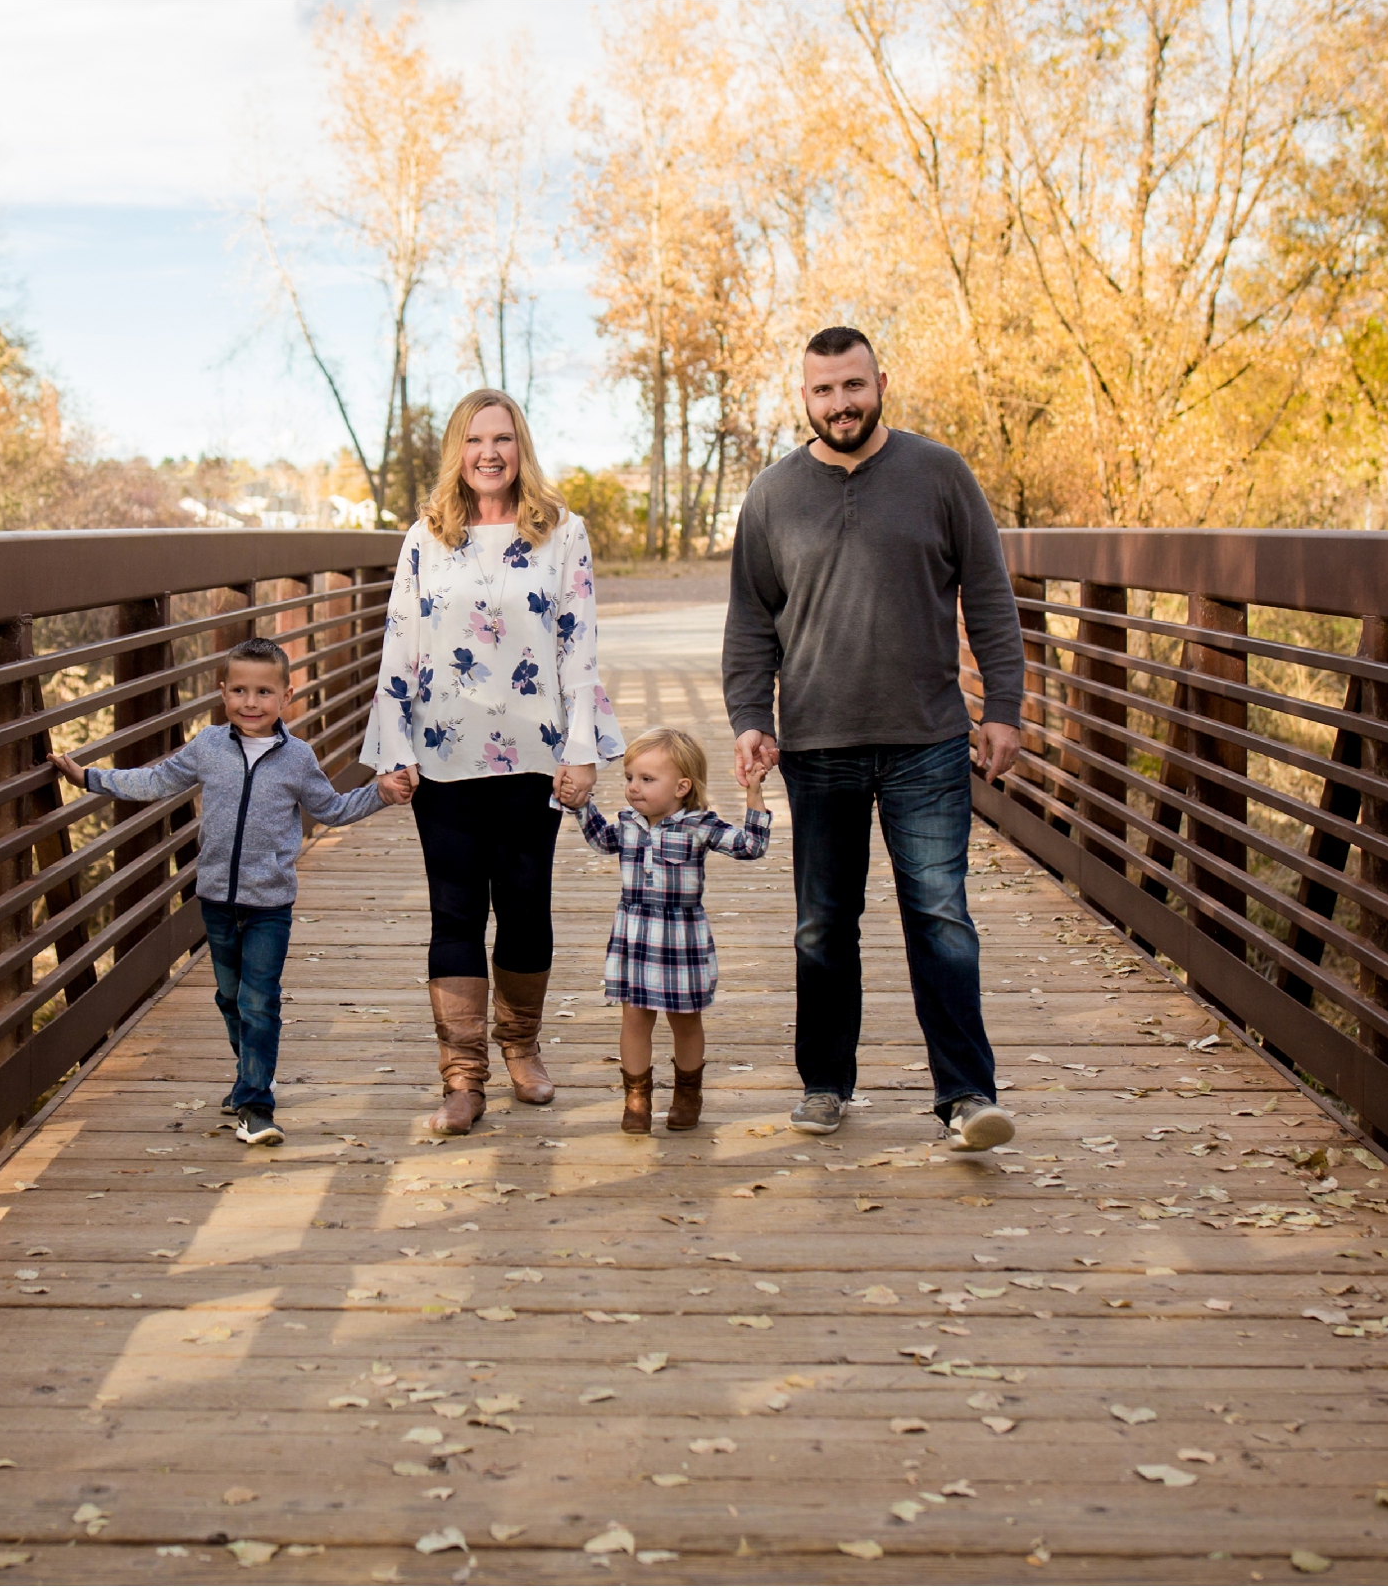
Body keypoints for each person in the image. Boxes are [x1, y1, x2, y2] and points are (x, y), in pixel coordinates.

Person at [722, 325, 1027, 1148]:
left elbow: (992, 598)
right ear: (804, 398)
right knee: (823, 921)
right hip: (818, 743)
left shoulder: (940, 474)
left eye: (853, 386)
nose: (840, 404)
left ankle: (967, 1096)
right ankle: (826, 1082)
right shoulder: (773, 495)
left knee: (940, 914)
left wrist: (1004, 706)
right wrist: (752, 718)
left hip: (928, 737)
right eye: (823, 390)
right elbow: (751, 624)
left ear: (881, 381)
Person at [362, 387, 624, 1136]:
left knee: (525, 907)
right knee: (454, 912)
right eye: (476, 440)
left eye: (503, 438)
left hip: (534, 756)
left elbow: (579, 644)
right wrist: (394, 747)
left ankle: (522, 1048)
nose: (489, 453)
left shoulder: (561, 532)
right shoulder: (426, 537)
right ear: (458, 450)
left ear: (521, 447)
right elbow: (399, 645)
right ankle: (463, 1076)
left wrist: (582, 749)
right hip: (445, 757)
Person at [53, 636, 413, 1146]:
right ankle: (248, 1074)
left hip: (270, 904)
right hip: (217, 900)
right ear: (223, 693)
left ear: (286, 697)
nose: (251, 702)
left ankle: (255, 1104)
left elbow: (330, 809)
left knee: (259, 1000)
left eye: (264, 692)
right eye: (240, 690)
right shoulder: (207, 748)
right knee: (230, 998)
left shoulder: (298, 759)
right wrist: (90, 777)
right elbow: (155, 781)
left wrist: (379, 793)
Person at [562, 727, 771, 1134]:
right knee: (634, 1018)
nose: (633, 788)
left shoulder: (698, 825)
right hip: (635, 935)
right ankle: (636, 1097)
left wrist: (754, 797)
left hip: (681, 940)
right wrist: (580, 803)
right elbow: (600, 840)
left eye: (646, 779)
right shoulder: (627, 824)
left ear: (682, 787)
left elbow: (750, 846)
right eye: (629, 778)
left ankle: (687, 1093)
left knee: (685, 1019)